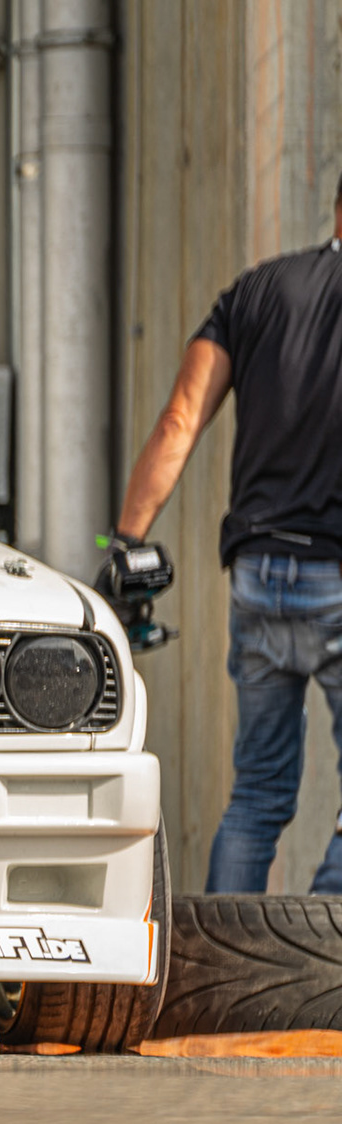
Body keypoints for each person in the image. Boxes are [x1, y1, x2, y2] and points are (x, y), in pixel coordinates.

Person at [105, 174, 342, 893]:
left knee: (258, 794)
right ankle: (322, 943)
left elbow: (180, 419)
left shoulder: (255, 292)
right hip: (336, 575)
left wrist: (124, 545)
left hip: (258, 577)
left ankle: (225, 955)